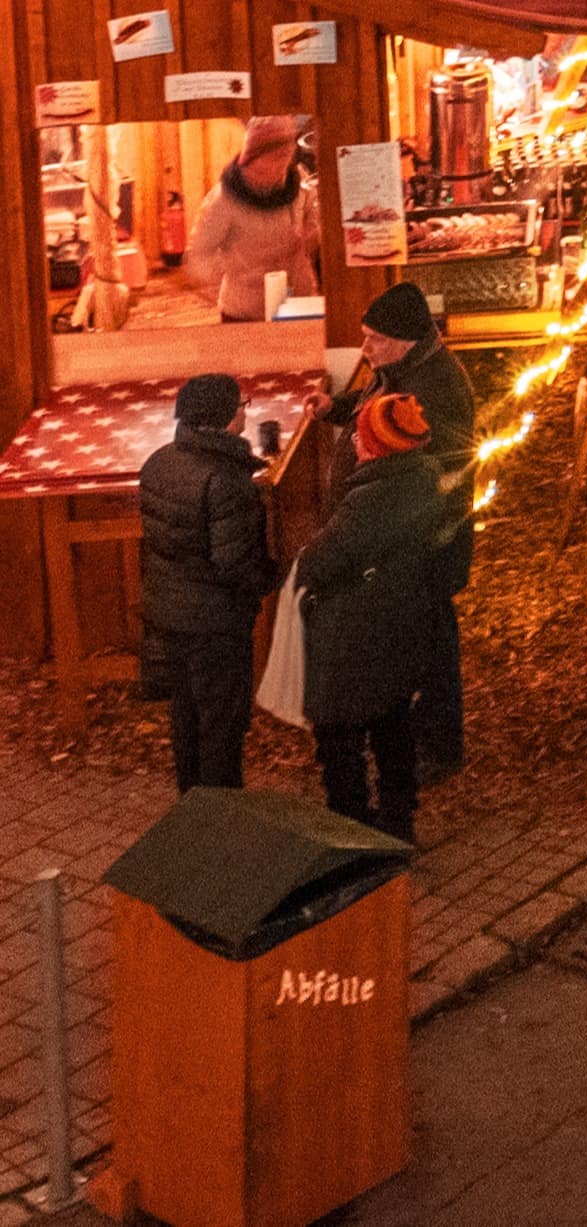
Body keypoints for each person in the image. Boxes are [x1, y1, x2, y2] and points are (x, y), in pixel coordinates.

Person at [299, 389, 455, 841]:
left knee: (338, 732)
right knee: (391, 722)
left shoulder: (371, 500)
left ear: (376, 445)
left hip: (356, 633)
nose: (353, 442)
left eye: (360, 435)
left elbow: (318, 563)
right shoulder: (422, 479)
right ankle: (397, 821)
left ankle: (353, 831)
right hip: (400, 624)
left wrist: (307, 554)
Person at [342, 276, 477, 775]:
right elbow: (373, 413)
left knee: (431, 646)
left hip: (427, 542)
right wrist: (335, 410)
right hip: (414, 540)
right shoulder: (405, 370)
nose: (365, 349)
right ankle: (426, 740)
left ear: (400, 341)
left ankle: (438, 749)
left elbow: (425, 463)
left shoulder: (431, 389)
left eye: (373, 339)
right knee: (421, 638)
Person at [137, 373, 276, 789]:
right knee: (221, 729)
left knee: (186, 719)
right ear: (223, 417)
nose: (244, 412)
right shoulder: (227, 480)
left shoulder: (158, 462)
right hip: (216, 626)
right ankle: (221, 823)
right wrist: (271, 577)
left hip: (170, 616)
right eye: (241, 405)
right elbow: (235, 563)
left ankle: (191, 812)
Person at [182, 114, 324, 321]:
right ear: (253, 156)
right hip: (245, 311)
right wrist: (238, 271)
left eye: (287, 155)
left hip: (298, 303)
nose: (283, 165)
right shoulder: (223, 199)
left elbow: (314, 220)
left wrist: (313, 235)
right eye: (275, 157)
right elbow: (197, 256)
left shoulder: (299, 182)